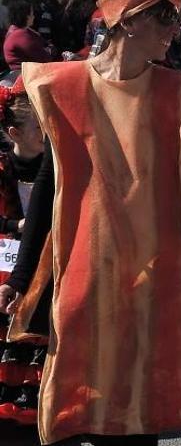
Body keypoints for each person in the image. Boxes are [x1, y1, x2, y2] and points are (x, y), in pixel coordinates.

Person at [0, 0, 181, 445]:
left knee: (143, 412)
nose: (174, 29)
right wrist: (20, 277)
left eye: (176, 17)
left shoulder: (176, 93)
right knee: (86, 403)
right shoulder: (64, 86)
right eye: (163, 17)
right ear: (126, 19)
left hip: (155, 274)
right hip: (87, 271)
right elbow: (51, 188)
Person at [0, 80, 44, 437]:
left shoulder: (55, 165)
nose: (46, 132)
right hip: (6, 269)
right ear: (14, 132)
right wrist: (17, 224)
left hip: (46, 268)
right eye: (38, 127)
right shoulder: (2, 169)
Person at [3, 2, 53, 74]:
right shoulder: (19, 35)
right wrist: (50, 50)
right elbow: (44, 58)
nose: (34, 16)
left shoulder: (21, 31)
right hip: (26, 77)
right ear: (25, 16)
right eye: (32, 14)